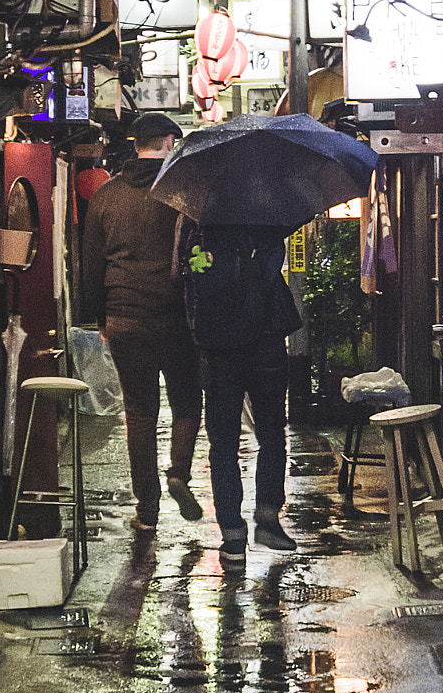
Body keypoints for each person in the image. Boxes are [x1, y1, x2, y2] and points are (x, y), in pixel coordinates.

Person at [80, 113, 203, 531]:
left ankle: (146, 511)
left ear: (135, 145)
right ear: (170, 142)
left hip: (124, 317)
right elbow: (200, 255)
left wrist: (101, 317)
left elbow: (91, 266)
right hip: (178, 319)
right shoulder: (184, 191)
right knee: (187, 401)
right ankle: (178, 474)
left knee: (140, 411)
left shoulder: (106, 195)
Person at [178, 218, 301, 564]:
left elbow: (184, 277)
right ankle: (267, 519)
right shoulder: (268, 216)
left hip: (219, 345)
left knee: (223, 445)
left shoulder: (199, 219)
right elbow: (270, 267)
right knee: (272, 433)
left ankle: (232, 537)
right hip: (266, 337)